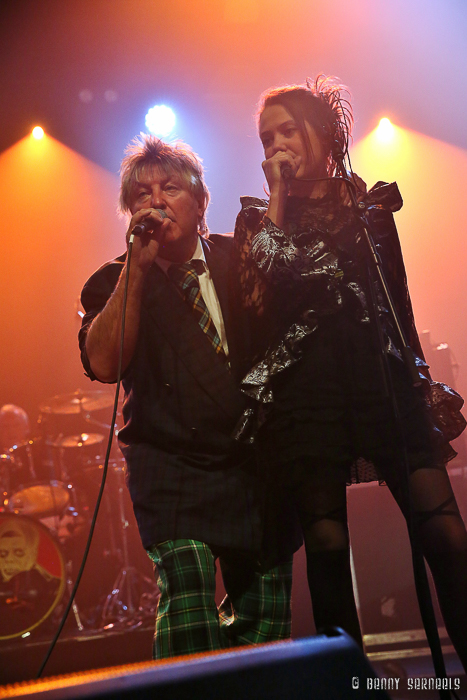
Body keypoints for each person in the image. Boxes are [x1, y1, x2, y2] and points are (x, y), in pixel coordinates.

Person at [233, 75, 467, 668]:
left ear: (322, 133)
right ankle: (351, 685)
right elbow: (264, 292)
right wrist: (280, 198)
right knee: (329, 546)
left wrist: (418, 379)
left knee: (443, 529)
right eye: (266, 138)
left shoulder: (368, 208)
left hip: (381, 381)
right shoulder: (258, 220)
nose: (276, 146)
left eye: (288, 130)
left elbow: (397, 302)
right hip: (306, 395)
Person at [78, 135, 301, 659]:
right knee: (189, 619)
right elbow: (105, 364)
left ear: (200, 202)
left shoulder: (238, 258)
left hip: (254, 464)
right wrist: (136, 265)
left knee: (263, 633)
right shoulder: (111, 283)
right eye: (141, 195)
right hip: (173, 467)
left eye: (169, 188)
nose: (154, 201)